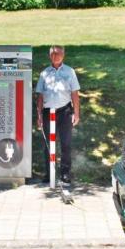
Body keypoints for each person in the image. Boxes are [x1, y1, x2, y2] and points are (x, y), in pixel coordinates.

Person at [36, 45, 80, 184]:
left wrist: (76, 113)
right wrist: (39, 116)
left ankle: (65, 174)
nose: (56, 56)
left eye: (59, 53)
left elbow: (75, 94)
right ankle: (49, 174)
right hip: (48, 112)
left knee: (66, 144)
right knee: (48, 144)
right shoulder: (44, 73)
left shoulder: (70, 72)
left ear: (63, 55)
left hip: (65, 111)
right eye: (53, 54)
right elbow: (40, 96)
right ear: (50, 56)